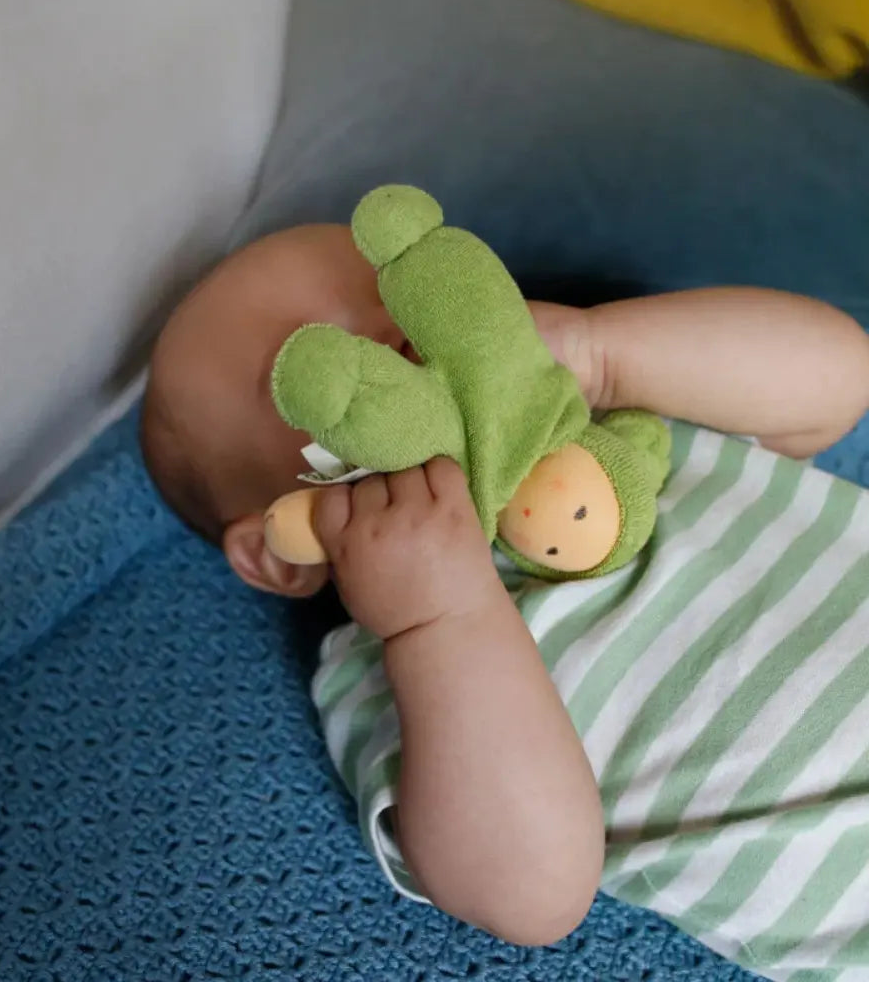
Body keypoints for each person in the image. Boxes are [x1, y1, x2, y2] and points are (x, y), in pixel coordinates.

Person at [140, 218, 869, 981]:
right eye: (310, 361)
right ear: (276, 551)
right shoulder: (392, 667)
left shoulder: (627, 430)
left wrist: (600, 355)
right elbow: (531, 893)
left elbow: (839, 380)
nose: (397, 343)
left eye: (394, 294)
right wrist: (440, 617)